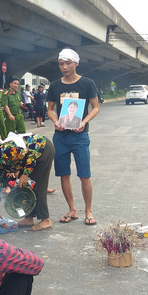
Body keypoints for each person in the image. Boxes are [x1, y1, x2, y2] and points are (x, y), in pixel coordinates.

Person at [47, 48, 100, 226]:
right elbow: (50, 110)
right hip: (61, 136)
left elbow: (95, 107)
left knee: (84, 175)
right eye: (61, 64)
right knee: (64, 175)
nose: (64, 67)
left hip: (80, 137)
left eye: (68, 63)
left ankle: (88, 210)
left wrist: (83, 121)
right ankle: (72, 209)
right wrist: (55, 121)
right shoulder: (55, 86)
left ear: (76, 63)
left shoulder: (87, 83)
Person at [0, 133, 55, 231]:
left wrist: (25, 174)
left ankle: (46, 219)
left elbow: (31, 155)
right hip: (28, 159)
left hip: (42, 149)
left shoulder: (6, 152)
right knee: (24, 187)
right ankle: (29, 218)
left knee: (37, 186)